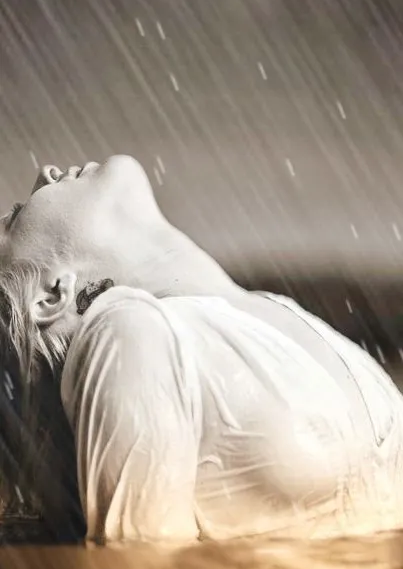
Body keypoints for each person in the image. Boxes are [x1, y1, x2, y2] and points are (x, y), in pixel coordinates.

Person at [1, 154, 403, 544]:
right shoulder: (127, 333)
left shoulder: (279, 309)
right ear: (52, 295)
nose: (45, 172)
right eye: (18, 215)